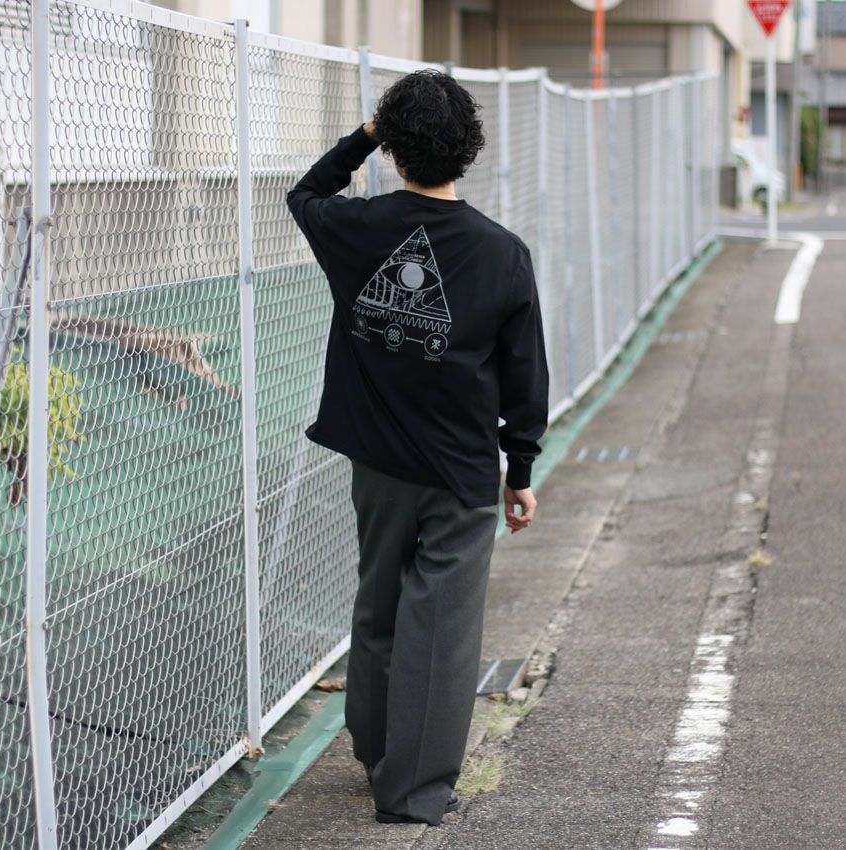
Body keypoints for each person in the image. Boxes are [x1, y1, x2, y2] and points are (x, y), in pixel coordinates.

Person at [286, 68, 549, 827]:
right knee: (441, 630)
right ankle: (413, 790)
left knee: (380, 606)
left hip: (377, 462)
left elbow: (306, 192)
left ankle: (376, 751)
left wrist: (366, 135)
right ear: (468, 150)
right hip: (460, 472)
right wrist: (520, 467)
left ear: (394, 149)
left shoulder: (358, 229)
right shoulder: (501, 253)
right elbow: (524, 373)